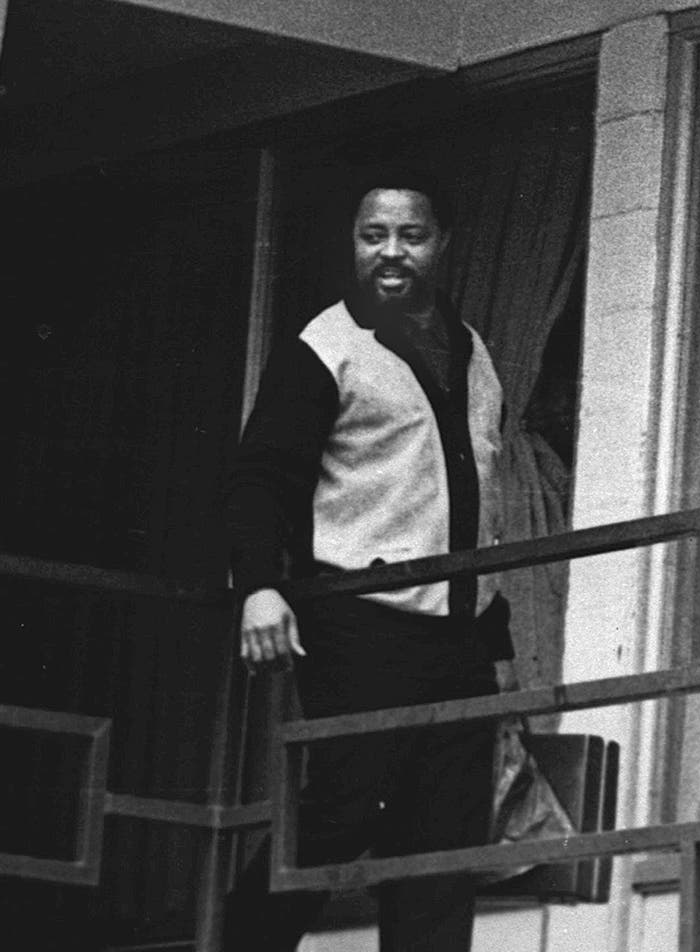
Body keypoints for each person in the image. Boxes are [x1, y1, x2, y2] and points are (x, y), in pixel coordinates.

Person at [223, 174, 514, 952]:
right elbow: (260, 478)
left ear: (442, 242)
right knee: (344, 810)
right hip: (363, 621)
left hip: (462, 635)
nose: (391, 252)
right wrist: (258, 586)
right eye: (372, 235)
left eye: (411, 235)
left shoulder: (474, 347)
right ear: (353, 243)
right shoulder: (323, 348)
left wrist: (497, 633)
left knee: (445, 844)